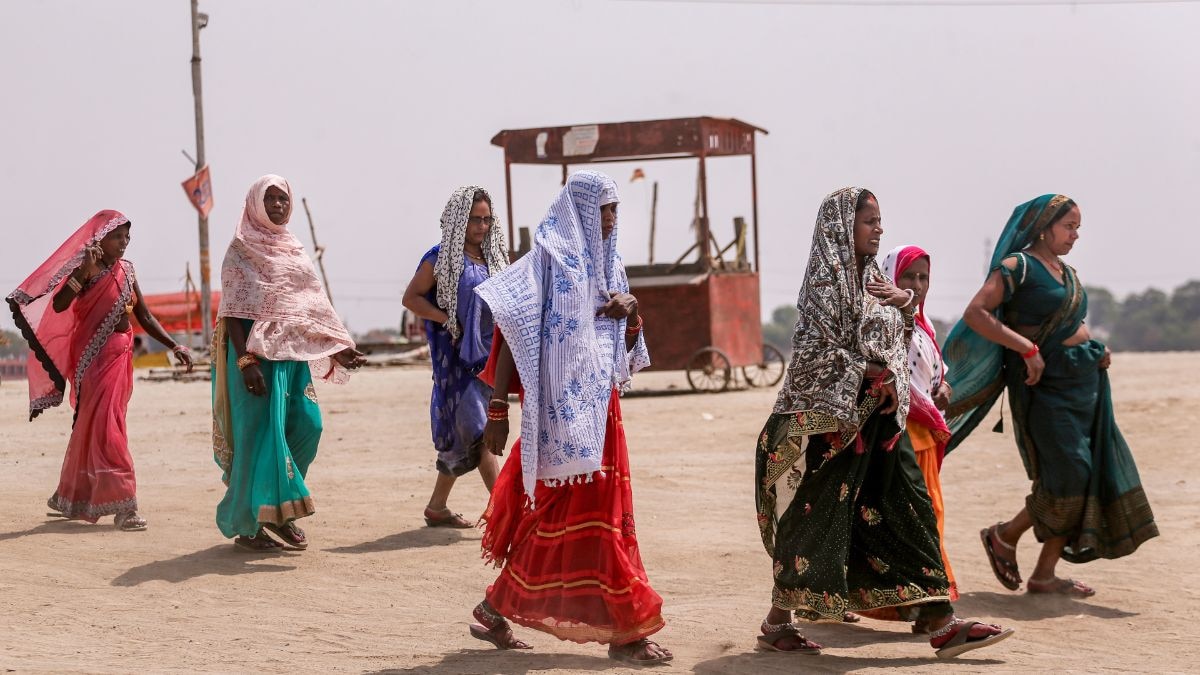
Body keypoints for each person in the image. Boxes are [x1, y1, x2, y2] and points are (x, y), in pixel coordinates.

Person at [753, 188, 1012, 658]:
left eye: (879, 221)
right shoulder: (825, 287)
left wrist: (905, 305)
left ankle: (941, 621)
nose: (879, 229)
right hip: (830, 425)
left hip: (881, 424)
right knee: (815, 522)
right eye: (869, 221)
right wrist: (871, 371)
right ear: (841, 228)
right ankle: (777, 621)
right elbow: (814, 355)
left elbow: (900, 344)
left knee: (910, 507)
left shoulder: (877, 283)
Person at [467, 170, 671, 665]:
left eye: (615, 209)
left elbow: (625, 351)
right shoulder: (545, 262)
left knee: (597, 518)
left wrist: (630, 313)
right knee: (566, 514)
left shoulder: (611, 267)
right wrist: (497, 409)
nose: (611, 218)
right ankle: (625, 633)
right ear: (580, 208)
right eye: (604, 208)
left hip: (601, 416)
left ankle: (497, 607)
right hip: (557, 417)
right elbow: (511, 333)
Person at [944, 194, 1158, 597]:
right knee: (1069, 474)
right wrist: (1026, 349)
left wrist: (1096, 349)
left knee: (1084, 473)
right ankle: (1005, 535)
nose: (1076, 235)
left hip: (1084, 385)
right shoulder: (1017, 266)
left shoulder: (1068, 272)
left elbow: (1071, 324)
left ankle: (1044, 574)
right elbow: (977, 312)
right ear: (1044, 227)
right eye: (1069, 226)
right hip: (1043, 388)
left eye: (1078, 228)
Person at [8, 210, 194, 531]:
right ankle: (125, 505)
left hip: (121, 354)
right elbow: (59, 305)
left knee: (101, 423)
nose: (124, 243)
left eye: (127, 237)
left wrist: (174, 345)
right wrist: (83, 273)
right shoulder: (86, 268)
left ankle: (71, 495)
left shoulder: (128, 271)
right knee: (106, 425)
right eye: (117, 236)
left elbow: (145, 317)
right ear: (101, 237)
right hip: (93, 356)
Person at [212, 175, 366, 552]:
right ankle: (252, 524)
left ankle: (277, 508)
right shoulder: (240, 248)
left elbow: (309, 308)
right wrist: (245, 361)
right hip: (254, 356)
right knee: (259, 436)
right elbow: (232, 310)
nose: (279, 205)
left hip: (292, 355)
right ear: (255, 204)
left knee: (307, 425)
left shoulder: (293, 248)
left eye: (284, 199)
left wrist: (336, 347)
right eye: (271, 199)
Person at [401, 186, 507, 527]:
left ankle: (437, 507)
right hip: (456, 359)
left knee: (464, 437)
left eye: (486, 219)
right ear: (459, 219)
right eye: (474, 219)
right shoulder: (440, 258)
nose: (481, 226)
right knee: (479, 432)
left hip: (488, 359)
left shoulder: (496, 259)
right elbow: (412, 298)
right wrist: (444, 318)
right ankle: (507, 512)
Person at [880, 244, 958, 603]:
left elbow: (934, 371)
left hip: (924, 432)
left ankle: (926, 598)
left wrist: (942, 386)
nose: (917, 284)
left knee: (931, 512)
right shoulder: (885, 321)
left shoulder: (925, 325)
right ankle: (933, 598)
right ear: (889, 277)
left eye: (923, 277)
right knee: (921, 515)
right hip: (901, 433)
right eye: (908, 276)